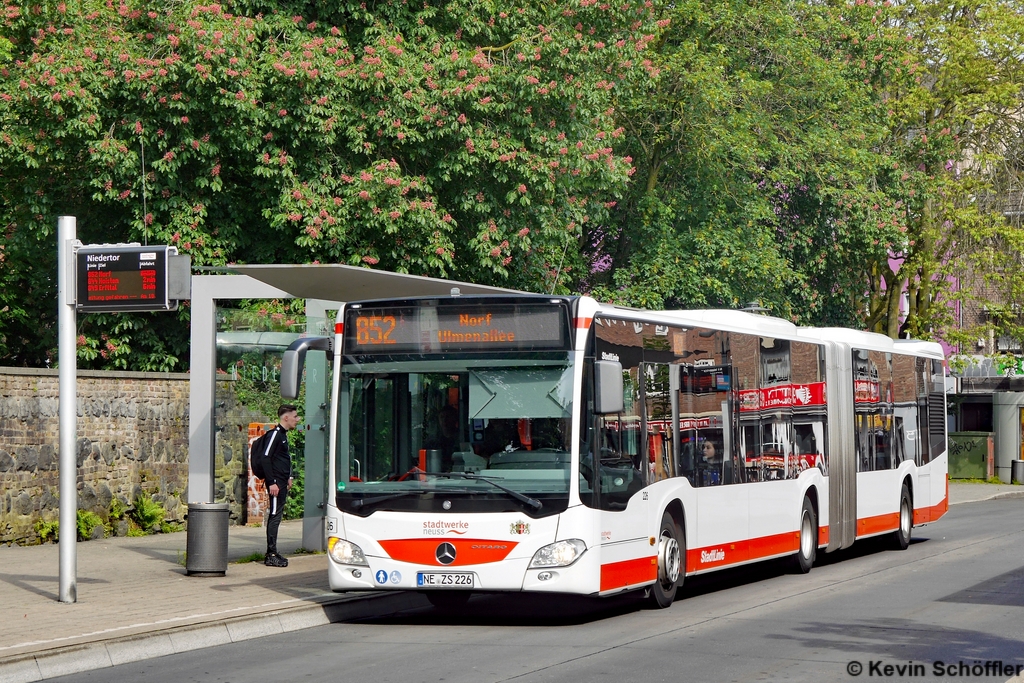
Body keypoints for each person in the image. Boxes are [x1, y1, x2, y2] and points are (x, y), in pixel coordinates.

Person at [264, 404, 299, 568]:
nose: (297, 420)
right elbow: (265, 458)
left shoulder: (283, 436)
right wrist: (272, 482)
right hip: (276, 484)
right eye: (295, 417)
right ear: (286, 417)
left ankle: (274, 551)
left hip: (282, 482)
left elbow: (284, 459)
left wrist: (289, 476)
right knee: (274, 515)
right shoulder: (275, 435)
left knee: (277, 515)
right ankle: (270, 554)